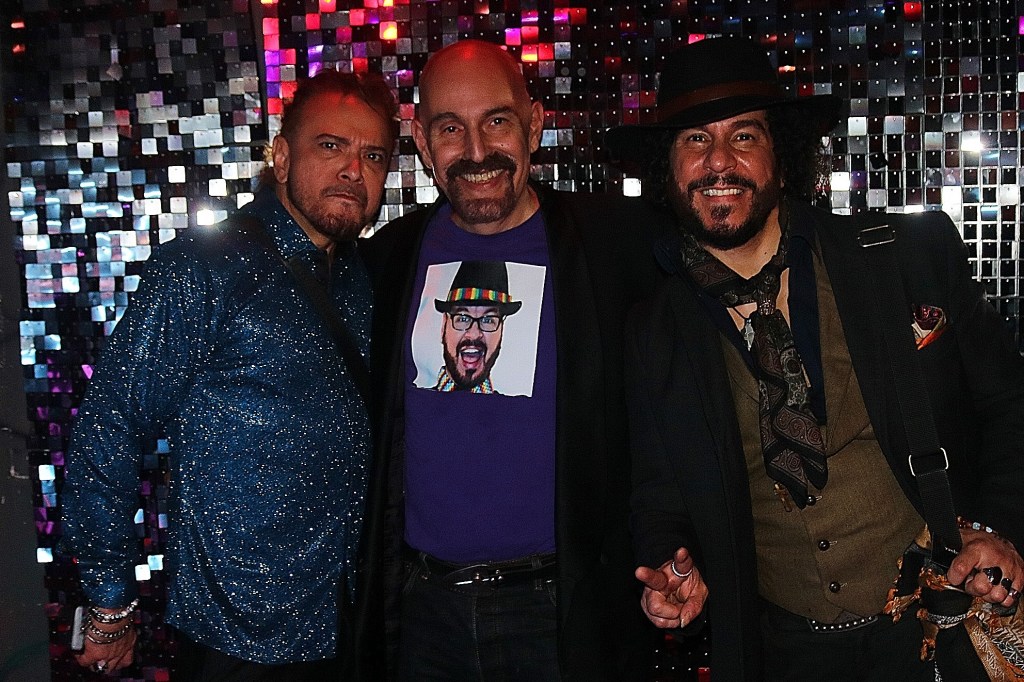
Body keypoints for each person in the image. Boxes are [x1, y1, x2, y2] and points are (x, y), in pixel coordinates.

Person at [608, 35, 1024, 681]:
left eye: (744, 136)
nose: (719, 161)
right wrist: (672, 565)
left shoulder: (906, 256)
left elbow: (1008, 406)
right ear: (669, 166)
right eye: (694, 139)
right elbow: (660, 492)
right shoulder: (653, 329)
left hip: (938, 625)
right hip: (783, 653)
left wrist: (999, 528)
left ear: (782, 156)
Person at [60, 69, 397, 680]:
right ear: (281, 157)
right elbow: (109, 428)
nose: (353, 169)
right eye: (331, 146)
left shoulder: (360, 278)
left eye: (373, 155)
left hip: (348, 622)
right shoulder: (204, 265)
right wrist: (109, 601)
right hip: (238, 633)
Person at [356, 39, 669, 680]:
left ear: (534, 124)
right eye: (450, 128)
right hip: (423, 613)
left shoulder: (619, 244)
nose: (476, 151)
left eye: (496, 120)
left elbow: (676, 415)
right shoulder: (386, 259)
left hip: (562, 610)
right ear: (422, 142)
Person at [433, 260, 522, 393]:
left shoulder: (517, 406)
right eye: (463, 318)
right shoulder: (410, 399)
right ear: (444, 326)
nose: (474, 334)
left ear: (501, 331)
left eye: (488, 320)